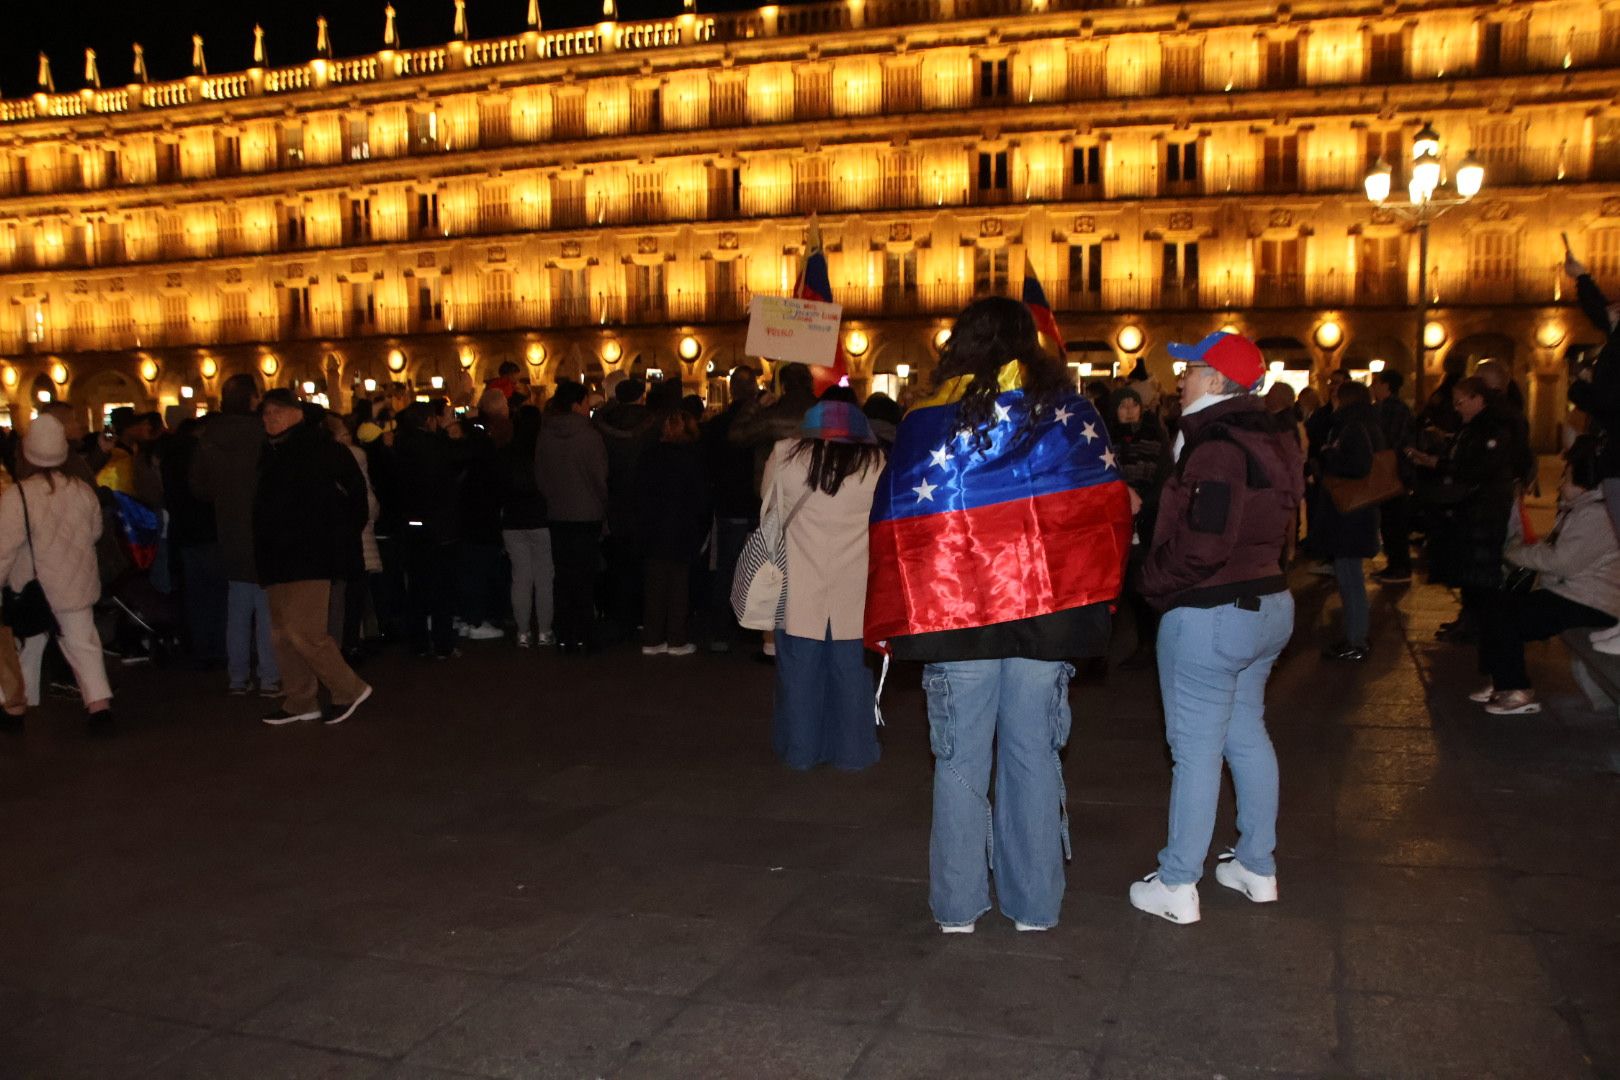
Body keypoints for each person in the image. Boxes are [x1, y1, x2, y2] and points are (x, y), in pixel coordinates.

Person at [865, 297, 1133, 933]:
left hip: (958, 620)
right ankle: (1035, 904)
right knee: (1033, 756)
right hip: (1046, 617)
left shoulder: (926, 422)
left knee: (959, 761)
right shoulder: (1071, 415)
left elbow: (902, 524)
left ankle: (957, 908)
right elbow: (1102, 510)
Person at [1130, 331, 1304, 926]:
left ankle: (1178, 883)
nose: (1180, 380)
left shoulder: (1217, 446)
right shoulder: (1274, 436)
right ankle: (1257, 866)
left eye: (1190, 370)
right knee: (1247, 732)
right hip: (1269, 602)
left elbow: (1204, 542)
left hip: (1213, 611)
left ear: (1216, 381)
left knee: (1196, 750)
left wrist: (1150, 582)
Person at [768, 394, 885, 772]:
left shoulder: (784, 454)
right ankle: (854, 752)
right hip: (856, 592)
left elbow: (769, 510)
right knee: (852, 675)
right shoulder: (877, 462)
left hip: (800, 587)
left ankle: (802, 750)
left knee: (800, 676)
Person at [1474, 439, 1620, 714]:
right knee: (1497, 605)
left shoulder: (1595, 513)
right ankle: (1502, 683)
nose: (1560, 483)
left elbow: (1561, 561)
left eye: (1565, 476)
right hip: (1577, 595)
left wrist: (1516, 553)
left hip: (1592, 603)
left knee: (1507, 614)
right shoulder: (1585, 507)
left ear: (1583, 481)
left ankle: (1515, 690)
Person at [252, 391, 371, 726]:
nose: (268, 418)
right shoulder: (270, 453)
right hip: (276, 557)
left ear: (296, 413)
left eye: (276, 412)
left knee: (303, 630)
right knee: (281, 633)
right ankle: (300, 699)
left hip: (310, 555)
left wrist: (338, 537)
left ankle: (348, 688)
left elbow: (355, 499)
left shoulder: (323, 451)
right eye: (265, 413)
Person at [0, 416, 116, 734]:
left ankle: (16, 708)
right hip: (75, 583)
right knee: (84, 645)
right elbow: (94, 532)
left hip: (34, 587)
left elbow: (4, 548)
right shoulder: (81, 490)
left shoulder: (17, 497)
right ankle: (99, 707)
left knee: (27, 647)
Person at [1409, 376, 1518, 645]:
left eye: (1460, 402)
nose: (1456, 407)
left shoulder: (1491, 429)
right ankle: (1468, 618)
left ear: (1478, 400)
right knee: (1469, 568)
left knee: (1481, 570)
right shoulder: (1473, 427)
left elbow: (1479, 468)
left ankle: (1477, 624)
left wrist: (1440, 465)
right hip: (1471, 507)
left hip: (1484, 508)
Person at [191, 375, 280, 697]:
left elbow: (199, 487)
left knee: (238, 609)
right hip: (262, 528)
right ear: (252, 400)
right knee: (267, 609)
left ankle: (238, 677)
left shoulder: (209, 437)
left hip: (229, 529)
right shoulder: (262, 435)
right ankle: (270, 676)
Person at [1313, 380, 1387, 662]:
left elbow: (1358, 466)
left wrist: (1329, 454)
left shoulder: (1352, 427)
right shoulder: (1367, 423)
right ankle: (1356, 636)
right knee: (1349, 577)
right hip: (1358, 512)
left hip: (1350, 513)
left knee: (1350, 579)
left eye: (1335, 396)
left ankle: (1356, 639)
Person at [537, 379, 608, 653]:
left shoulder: (545, 435)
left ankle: (565, 634)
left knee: (563, 576)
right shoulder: (590, 436)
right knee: (585, 577)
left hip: (557, 514)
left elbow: (540, 475)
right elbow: (600, 478)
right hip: (587, 514)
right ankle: (586, 634)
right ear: (578, 404)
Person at [635, 410, 711, 656]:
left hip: (652, 527)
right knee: (679, 585)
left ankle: (652, 637)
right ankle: (676, 639)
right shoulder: (689, 458)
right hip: (681, 527)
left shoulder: (647, 456)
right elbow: (700, 497)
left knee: (654, 584)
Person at [391, 403, 463, 660]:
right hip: (438, 524)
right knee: (443, 586)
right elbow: (449, 476)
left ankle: (419, 643)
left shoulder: (399, 447)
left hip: (411, 523)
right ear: (430, 421)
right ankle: (443, 643)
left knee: (417, 586)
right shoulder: (436, 446)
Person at [1107, 386, 1171, 667]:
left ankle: (1151, 642)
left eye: (1134, 404)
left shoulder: (1155, 436)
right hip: (1117, 522)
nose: (1130, 410)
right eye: (1124, 406)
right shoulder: (1106, 440)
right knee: (1126, 586)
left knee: (1145, 583)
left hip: (1147, 520)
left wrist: (1143, 504)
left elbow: (1164, 475)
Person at [700, 366, 761, 652]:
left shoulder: (716, 425)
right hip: (757, 505)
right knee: (759, 568)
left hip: (728, 505)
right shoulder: (761, 424)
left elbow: (709, 466)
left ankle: (721, 630)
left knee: (726, 568)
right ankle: (752, 629)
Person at [501, 404, 552, 648]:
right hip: (541, 519)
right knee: (544, 578)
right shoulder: (543, 449)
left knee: (520, 577)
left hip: (513, 520)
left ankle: (522, 631)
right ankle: (544, 630)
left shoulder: (507, 450)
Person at [1371, 370, 1416, 584]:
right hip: (1391, 472)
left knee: (1394, 521)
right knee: (1389, 521)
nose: (1373, 387)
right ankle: (1395, 564)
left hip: (1394, 473)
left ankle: (1400, 566)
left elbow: (1391, 440)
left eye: (1376, 383)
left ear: (1386, 385)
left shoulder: (1394, 409)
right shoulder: (1386, 408)